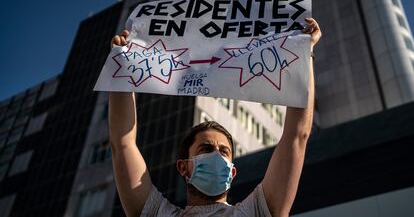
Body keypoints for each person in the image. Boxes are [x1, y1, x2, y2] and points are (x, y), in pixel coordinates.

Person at [109, 18, 322, 217]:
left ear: (233, 171)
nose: (217, 156)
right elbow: (122, 144)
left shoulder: (256, 211)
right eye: (206, 149)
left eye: (224, 151)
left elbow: (297, 136)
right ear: (183, 167)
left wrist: (304, 52)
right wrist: (122, 65)